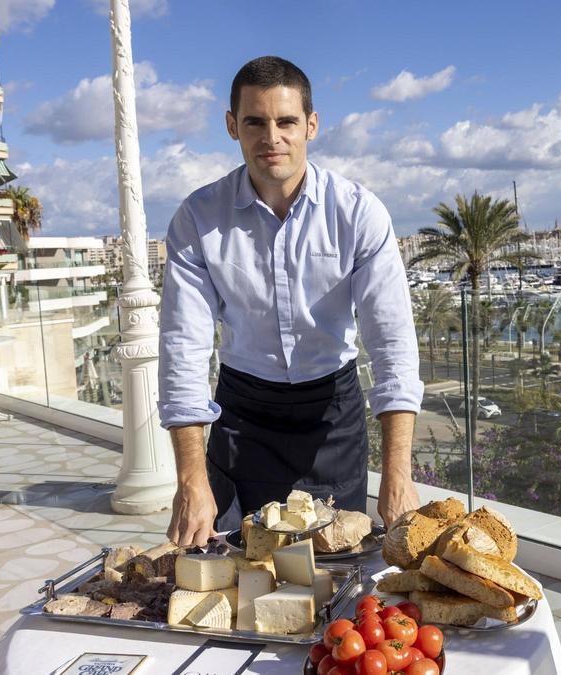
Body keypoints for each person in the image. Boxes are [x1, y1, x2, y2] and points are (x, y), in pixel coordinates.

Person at [157, 56, 423, 548]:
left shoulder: (358, 213)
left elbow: (393, 346)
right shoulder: (197, 218)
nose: (271, 138)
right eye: (255, 122)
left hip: (332, 418)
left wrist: (398, 474)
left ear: (311, 125)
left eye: (286, 122)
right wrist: (190, 479)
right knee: (235, 574)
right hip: (243, 418)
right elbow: (183, 349)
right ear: (232, 125)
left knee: (330, 585)